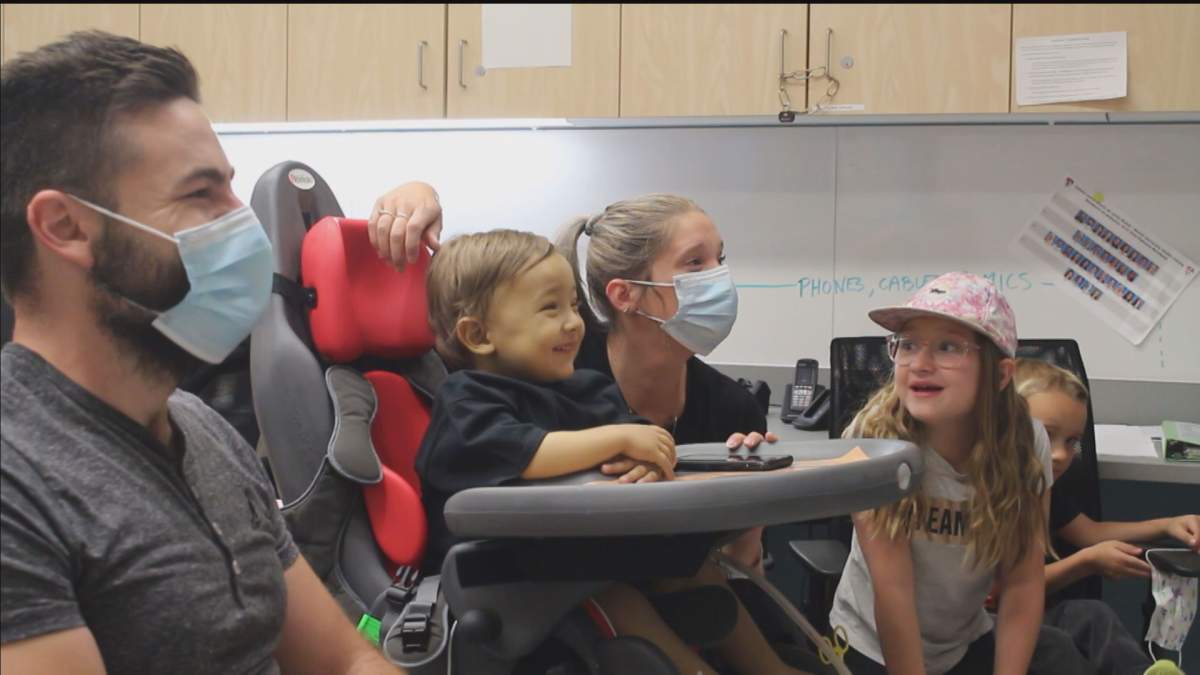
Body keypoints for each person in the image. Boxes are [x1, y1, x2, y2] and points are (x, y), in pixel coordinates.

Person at [0, 32, 402, 674]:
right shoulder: (17, 480)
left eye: (231, 192)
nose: (242, 222)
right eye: (200, 195)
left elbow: (343, 661)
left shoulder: (202, 429)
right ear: (65, 227)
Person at [415, 229, 816, 675]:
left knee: (693, 567)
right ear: (479, 334)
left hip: (580, 551)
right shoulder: (467, 399)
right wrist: (616, 442)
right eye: (551, 308)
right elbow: (522, 452)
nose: (573, 322)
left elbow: (638, 435)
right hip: (503, 571)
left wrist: (643, 456)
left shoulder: (582, 388)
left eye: (572, 304)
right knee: (617, 598)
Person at [369, 189, 777, 571]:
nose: (719, 276)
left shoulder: (730, 408)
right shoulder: (539, 366)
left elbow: (738, 565)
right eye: (695, 263)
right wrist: (414, 195)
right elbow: (496, 430)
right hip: (544, 579)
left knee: (698, 583)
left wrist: (745, 481)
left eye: (719, 259)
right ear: (623, 295)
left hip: (646, 566)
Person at [828, 272, 1051, 675]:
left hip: (962, 643)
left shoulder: (1024, 444)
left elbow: (1023, 582)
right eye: (908, 345)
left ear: (1001, 375)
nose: (921, 364)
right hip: (872, 644)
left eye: (948, 347)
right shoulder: (872, 439)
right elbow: (893, 591)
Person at [1015, 358, 1195, 675]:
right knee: (1069, 637)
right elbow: (1005, 593)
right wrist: (1086, 562)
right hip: (998, 627)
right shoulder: (983, 500)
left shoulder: (1043, 487)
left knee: (1091, 617)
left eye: (1071, 442)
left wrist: (1168, 524)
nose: (1059, 454)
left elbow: (1091, 533)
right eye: (1045, 434)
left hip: (1041, 617)